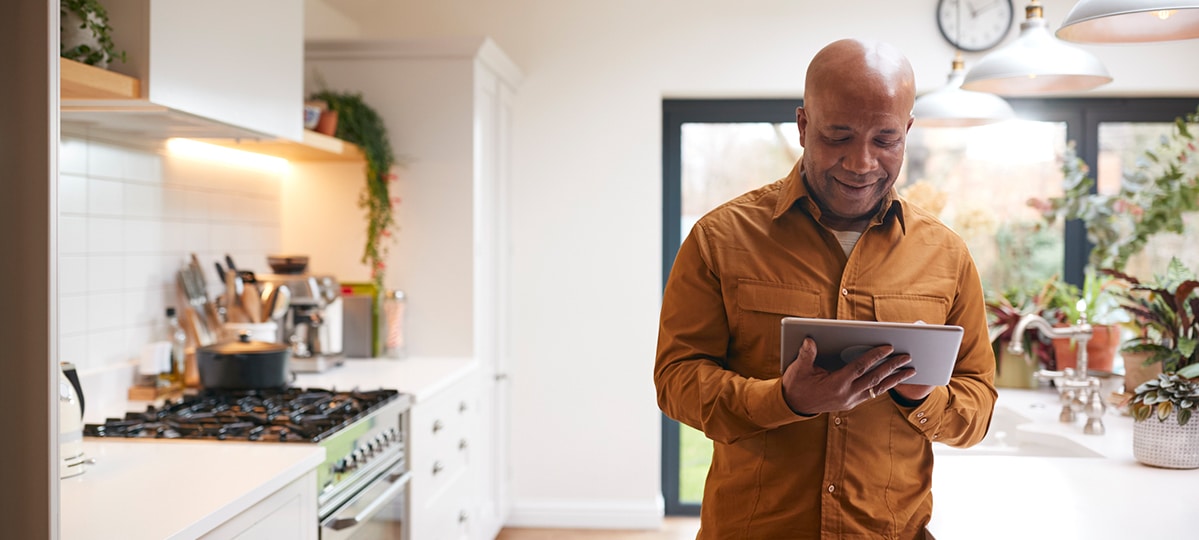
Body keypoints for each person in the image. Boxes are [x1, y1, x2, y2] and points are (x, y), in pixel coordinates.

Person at [654, 38, 997, 539]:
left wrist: (922, 398)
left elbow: (978, 406)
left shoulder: (947, 256)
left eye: (884, 140)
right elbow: (676, 381)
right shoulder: (719, 239)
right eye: (838, 136)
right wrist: (784, 399)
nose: (861, 163)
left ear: (907, 132)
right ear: (802, 126)